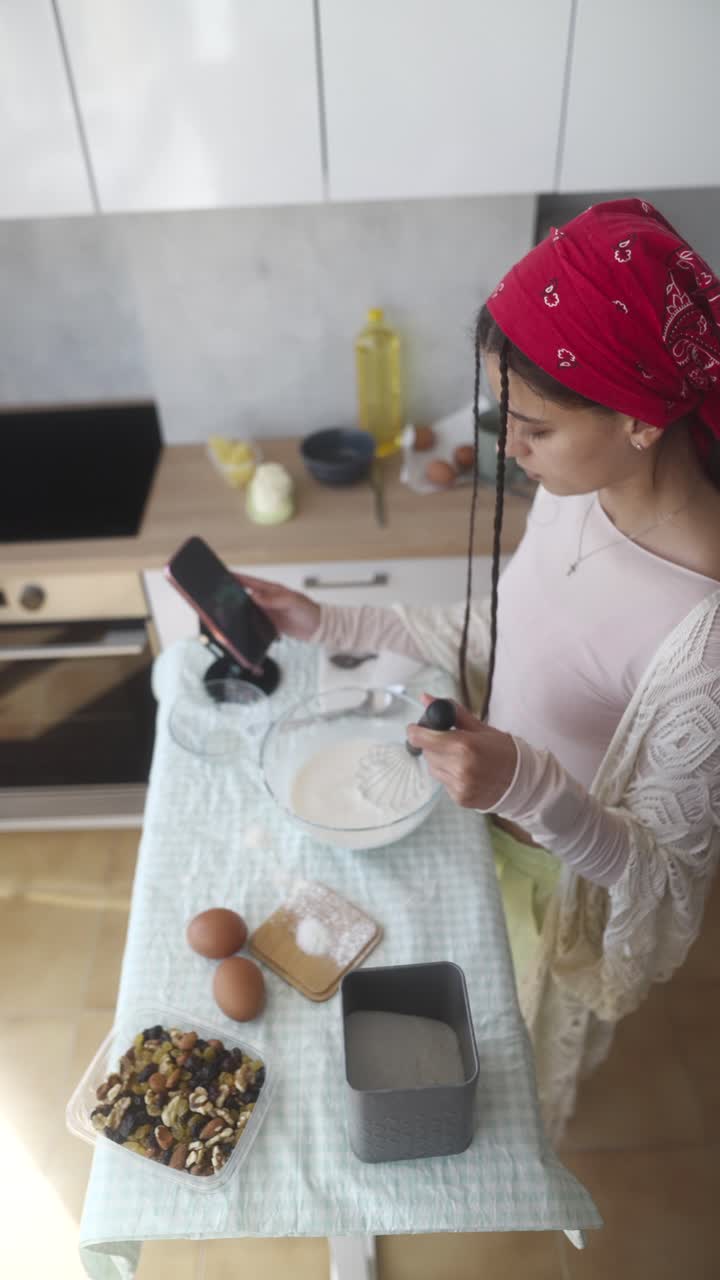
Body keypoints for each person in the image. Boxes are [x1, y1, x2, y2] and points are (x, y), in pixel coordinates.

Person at [238, 199, 720, 1139]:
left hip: (555, 882)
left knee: (507, 1082)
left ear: (638, 419)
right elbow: (500, 630)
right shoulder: (580, 494)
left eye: (532, 428)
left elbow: (664, 878)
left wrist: (528, 784)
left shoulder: (703, 628)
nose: (509, 448)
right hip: (475, 821)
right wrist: (325, 617)